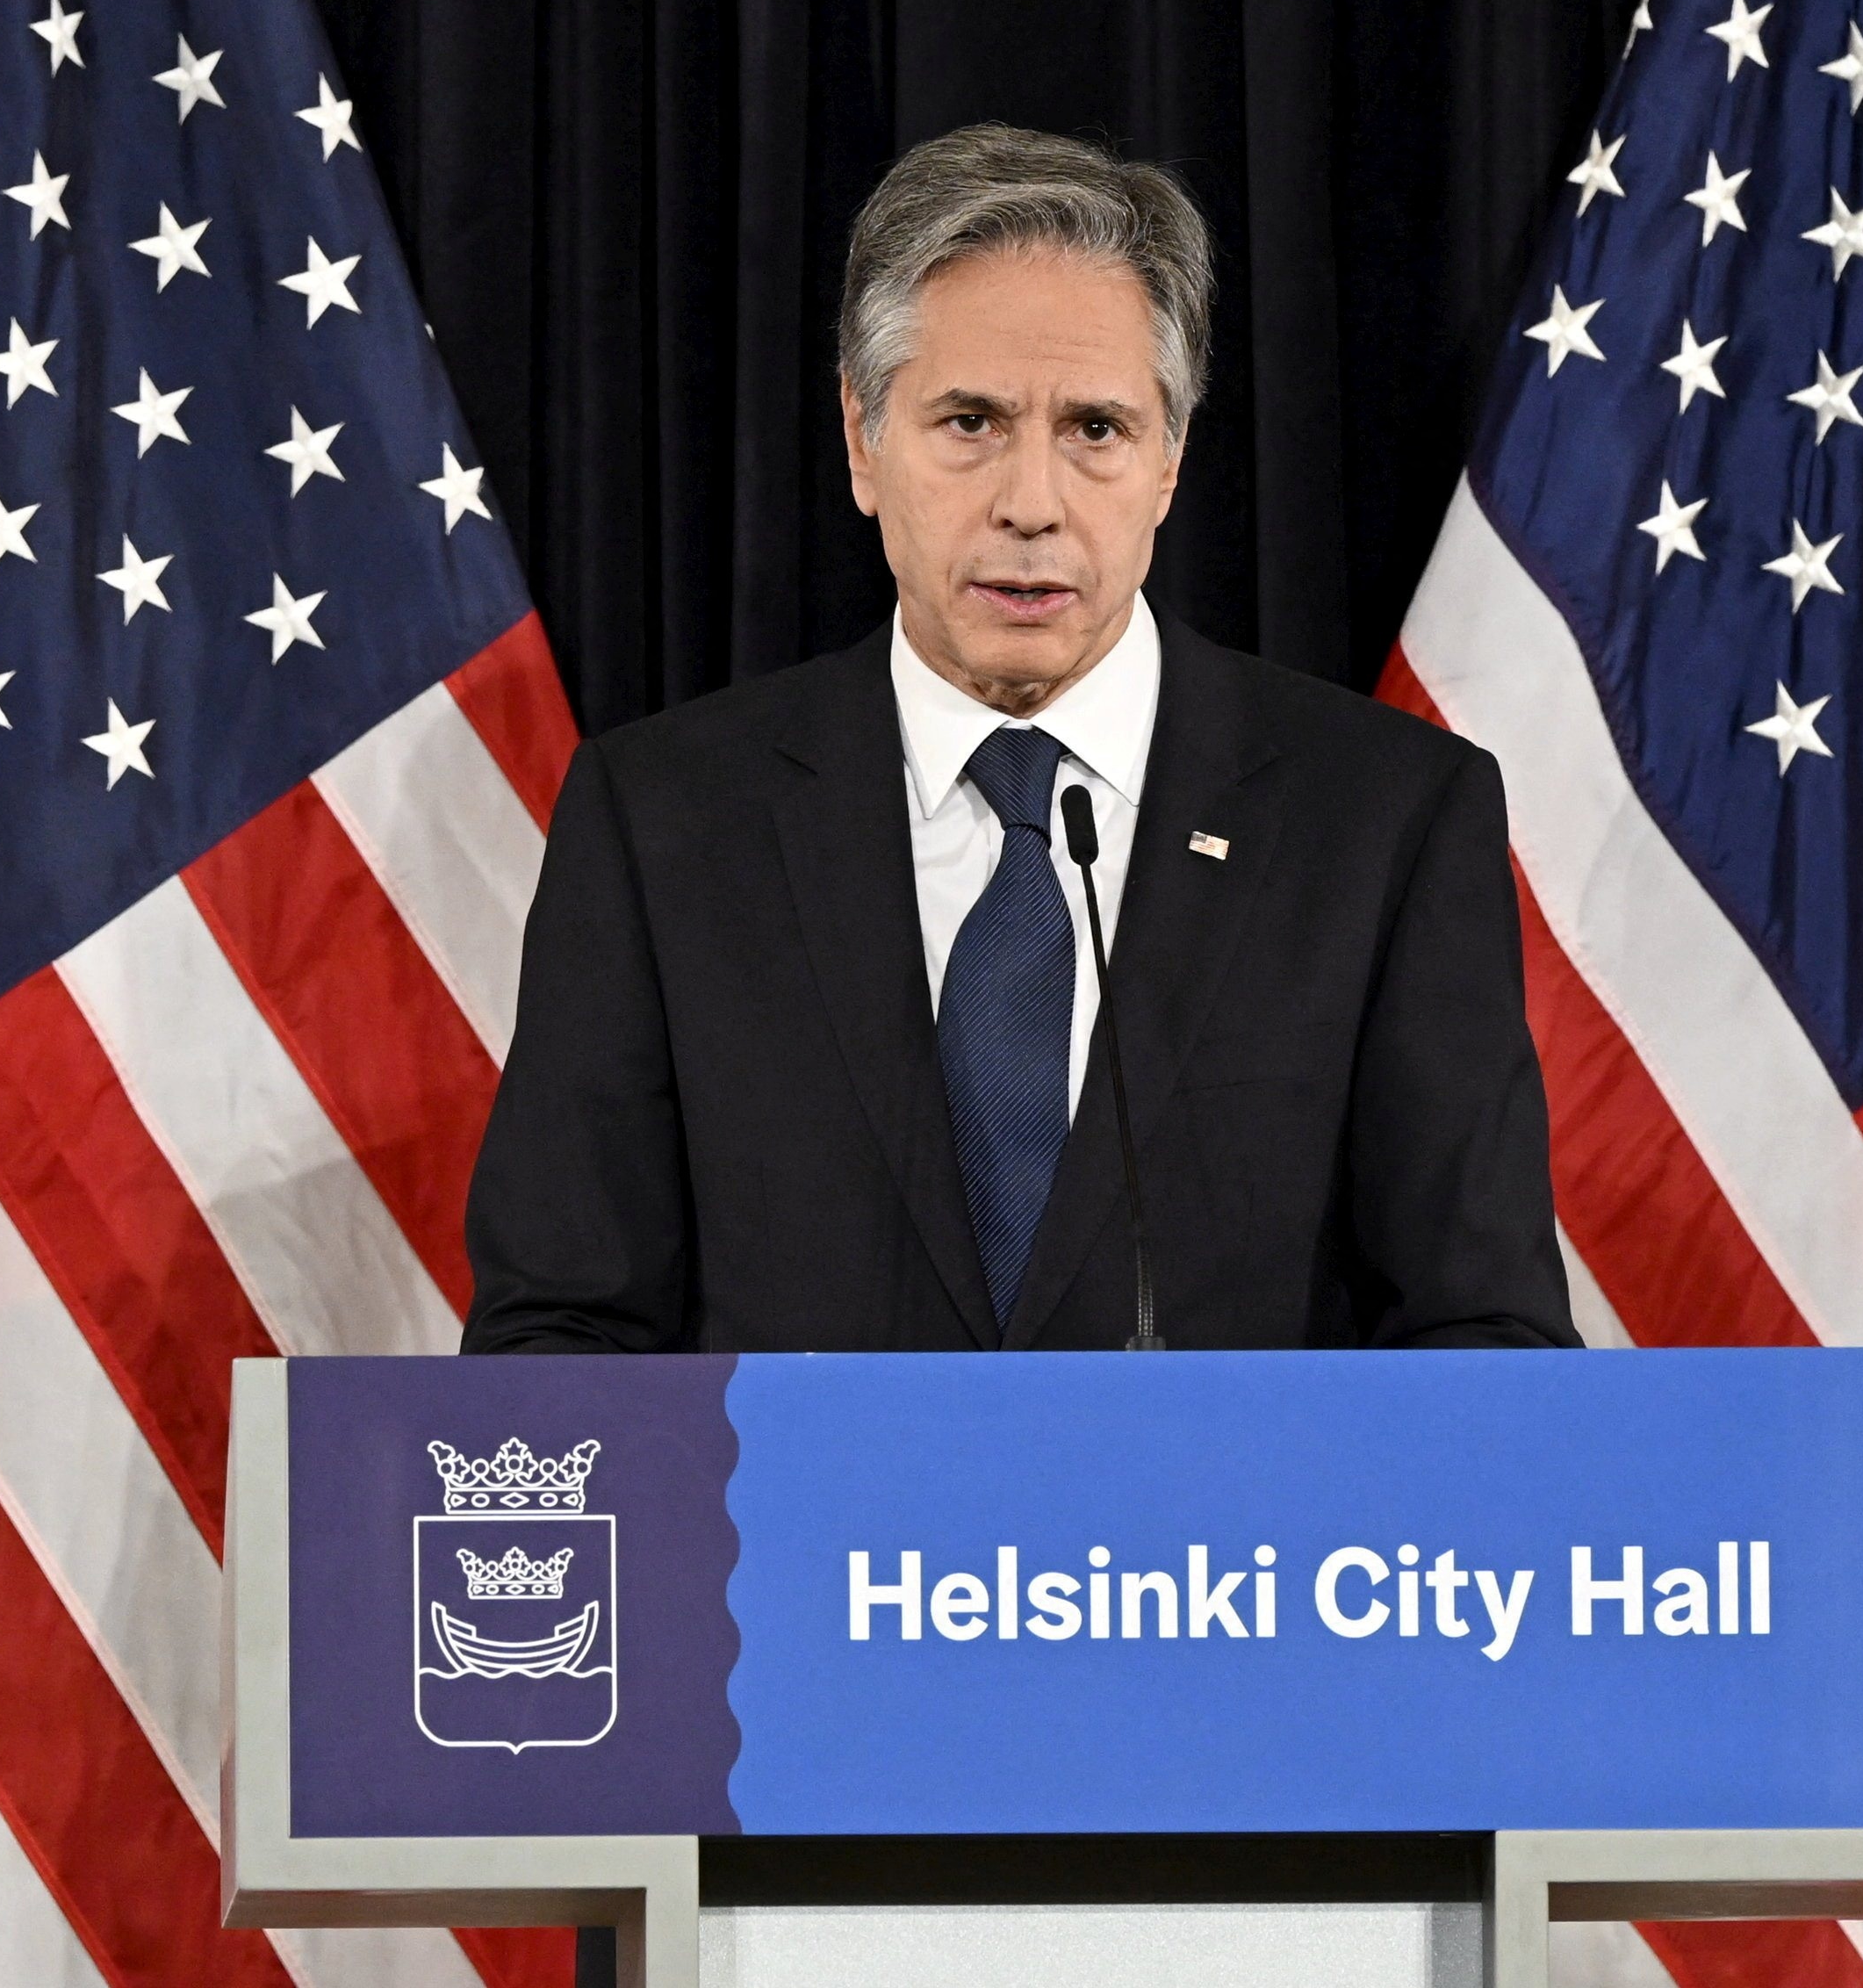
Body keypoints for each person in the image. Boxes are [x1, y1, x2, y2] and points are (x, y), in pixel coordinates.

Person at [461, 123, 1575, 1352]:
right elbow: (559, 1333)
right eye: (970, 422)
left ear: (1170, 459)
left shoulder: (1382, 823)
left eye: (1096, 430)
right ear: (862, 441)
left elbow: (1484, 1338)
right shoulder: (666, 822)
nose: (1032, 505)